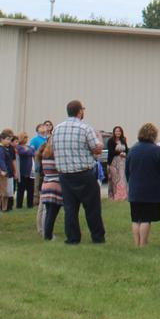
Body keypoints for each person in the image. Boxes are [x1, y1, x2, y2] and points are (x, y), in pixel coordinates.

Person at [52, 100, 106, 244]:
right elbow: (97, 149)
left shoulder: (57, 129)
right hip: (83, 173)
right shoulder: (85, 128)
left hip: (64, 174)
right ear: (80, 111)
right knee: (92, 207)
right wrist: (100, 141)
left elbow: (53, 149)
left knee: (70, 208)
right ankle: (97, 237)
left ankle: (73, 238)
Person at [125, 122, 160, 247]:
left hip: (135, 189)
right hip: (151, 190)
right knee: (146, 218)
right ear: (153, 135)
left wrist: (131, 183)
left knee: (135, 218)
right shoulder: (157, 150)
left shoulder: (132, 149)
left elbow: (127, 171)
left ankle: (136, 242)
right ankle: (143, 243)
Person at [38, 140, 64, 240]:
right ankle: (48, 235)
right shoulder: (56, 156)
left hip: (46, 184)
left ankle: (46, 233)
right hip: (55, 184)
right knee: (52, 213)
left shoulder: (45, 155)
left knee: (48, 211)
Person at [106, 126, 129, 201]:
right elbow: (111, 152)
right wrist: (119, 153)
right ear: (114, 132)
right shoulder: (110, 141)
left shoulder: (123, 140)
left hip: (122, 162)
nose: (118, 132)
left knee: (123, 178)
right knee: (115, 179)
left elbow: (127, 150)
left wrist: (125, 154)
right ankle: (114, 196)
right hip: (114, 162)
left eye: (119, 131)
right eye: (116, 131)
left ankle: (123, 196)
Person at [15, 133, 36, 209]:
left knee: (31, 189)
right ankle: (19, 205)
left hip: (30, 171)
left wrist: (29, 150)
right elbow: (24, 152)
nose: (26, 139)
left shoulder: (28, 147)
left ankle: (30, 205)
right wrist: (28, 150)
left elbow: (33, 152)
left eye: (27, 137)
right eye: (24, 137)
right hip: (22, 171)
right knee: (21, 189)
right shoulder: (18, 147)